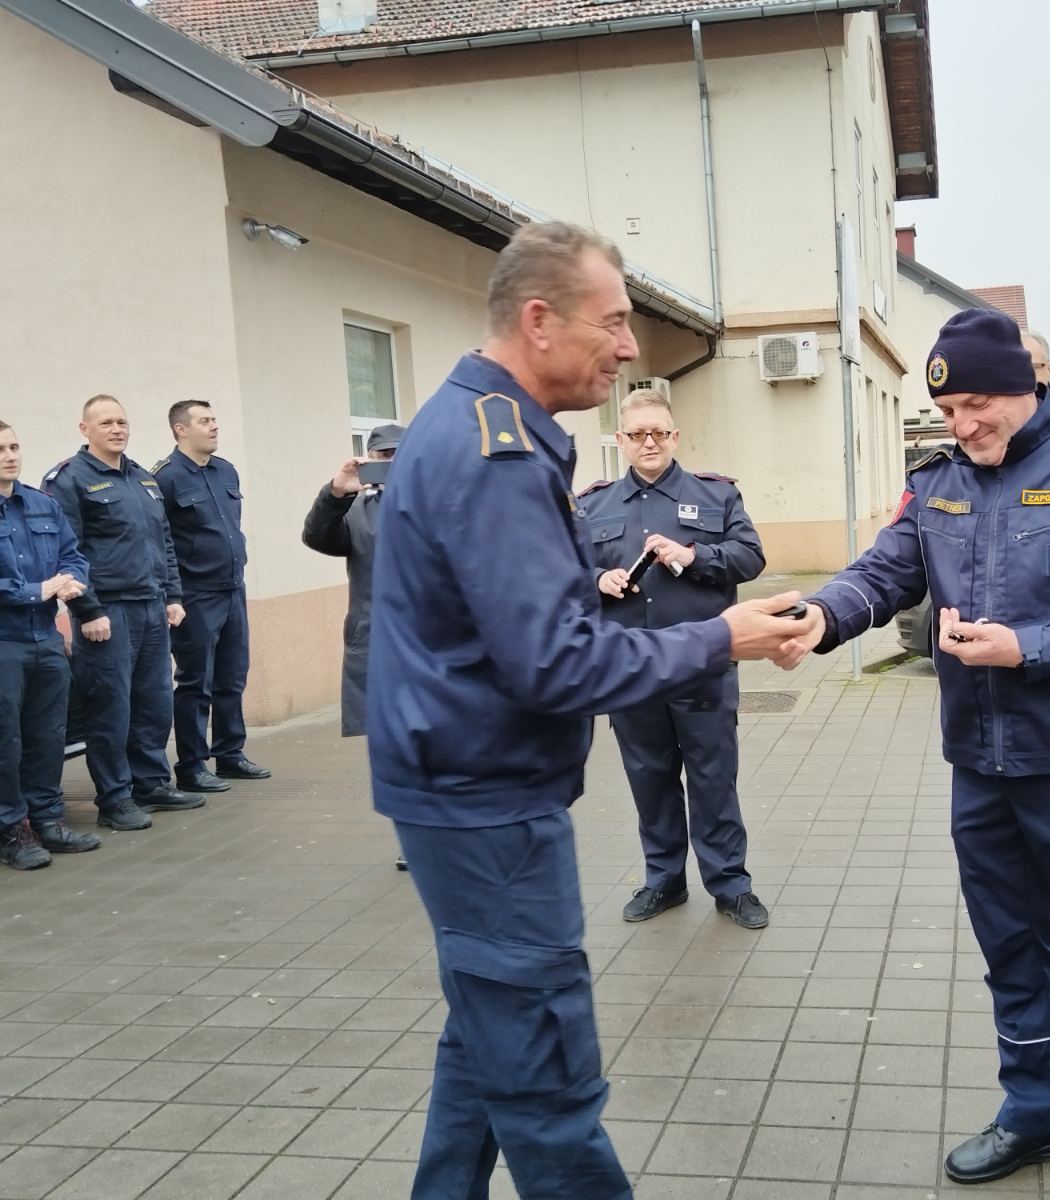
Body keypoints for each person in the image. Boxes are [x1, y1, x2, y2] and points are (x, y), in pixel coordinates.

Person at [365, 220, 812, 1200]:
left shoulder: (486, 427)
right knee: (546, 1078)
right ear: (539, 321)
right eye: (611, 322)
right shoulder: (493, 452)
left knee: (487, 1039)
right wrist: (719, 639)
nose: (628, 346)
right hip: (485, 805)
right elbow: (556, 663)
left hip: (464, 787)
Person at [779, 309, 1050, 1200]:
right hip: (981, 766)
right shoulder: (940, 479)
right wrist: (820, 615)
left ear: (1023, 386)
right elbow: (886, 570)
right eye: (947, 411)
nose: (962, 426)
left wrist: (1027, 648)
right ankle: (1035, 1113)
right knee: (1010, 951)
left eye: (975, 406)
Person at [580, 389, 769, 929]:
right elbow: (562, 573)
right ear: (621, 440)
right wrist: (597, 579)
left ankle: (730, 885)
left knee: (714, 777)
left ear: (675, 436)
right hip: (631, 669)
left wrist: (695, 555)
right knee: (649, 777)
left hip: (701, 666)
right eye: (638, 434)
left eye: (659, 432)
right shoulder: (592, 505)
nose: (650, 443)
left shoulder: (716, 495)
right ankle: (664, 880)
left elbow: (751, 557)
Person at [44, 396, 203, 832]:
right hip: (107, 612)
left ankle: (150, 783)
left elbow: (163, 540)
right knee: (110, 708)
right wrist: (87, 609)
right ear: (85, 429)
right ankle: (114, 797)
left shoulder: (142, 478)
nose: (117, 429)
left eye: (122, 422)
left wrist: (173, 595)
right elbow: (65, 552)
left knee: (153, 702)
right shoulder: (69, 480)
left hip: (152, 606)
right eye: (106, 423)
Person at [154, 400, 270, 793]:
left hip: (233, 587)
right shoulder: (165, 478)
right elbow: (162, 542)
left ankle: (230, 754)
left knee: (232, 676)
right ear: (180, 429)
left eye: (214, 420)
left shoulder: (225, 471)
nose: (214, 427)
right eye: (204, 421)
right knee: (195, 682)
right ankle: (192, 765)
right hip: (195, 595)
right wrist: (172, 596)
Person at [0, 420, 101, 869]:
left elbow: (72, 553)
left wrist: (72, 580)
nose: (10, 456)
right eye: (0, 449)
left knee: (48, 736)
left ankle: (46, 820)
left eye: (14, 446)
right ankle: (12, 829)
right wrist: (35, 590)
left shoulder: (41, 504)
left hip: (45, 639)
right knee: (6, 741)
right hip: (5, 642)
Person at [301, 422, 405, 739]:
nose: (392, 461)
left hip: (428, 638)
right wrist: (336, 493)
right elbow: (317, 537)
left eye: (399, 453)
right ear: (369, 459)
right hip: (375, 636)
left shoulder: (435, 500)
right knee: (385, 737)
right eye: (384, 455)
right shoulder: (354, 508)